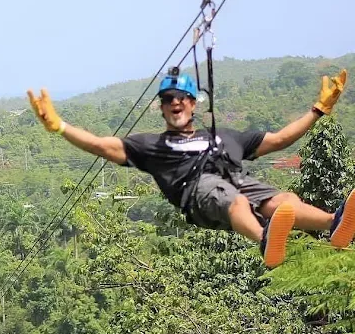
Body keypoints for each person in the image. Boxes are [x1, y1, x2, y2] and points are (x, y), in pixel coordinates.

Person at [27, 68, 354, 268]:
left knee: (285, 201)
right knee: (234, 200)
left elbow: (281, 139)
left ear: (193, 103)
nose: (175, 102)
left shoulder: (226, 137)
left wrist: (318, 109)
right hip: (197, 192)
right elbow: (102, 145)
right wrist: (59, 127)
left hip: (234, 179)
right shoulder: (152, 146)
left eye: (182, 96)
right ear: (162, 108)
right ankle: (264, 240)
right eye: (168, 99)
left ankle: (333, 225)